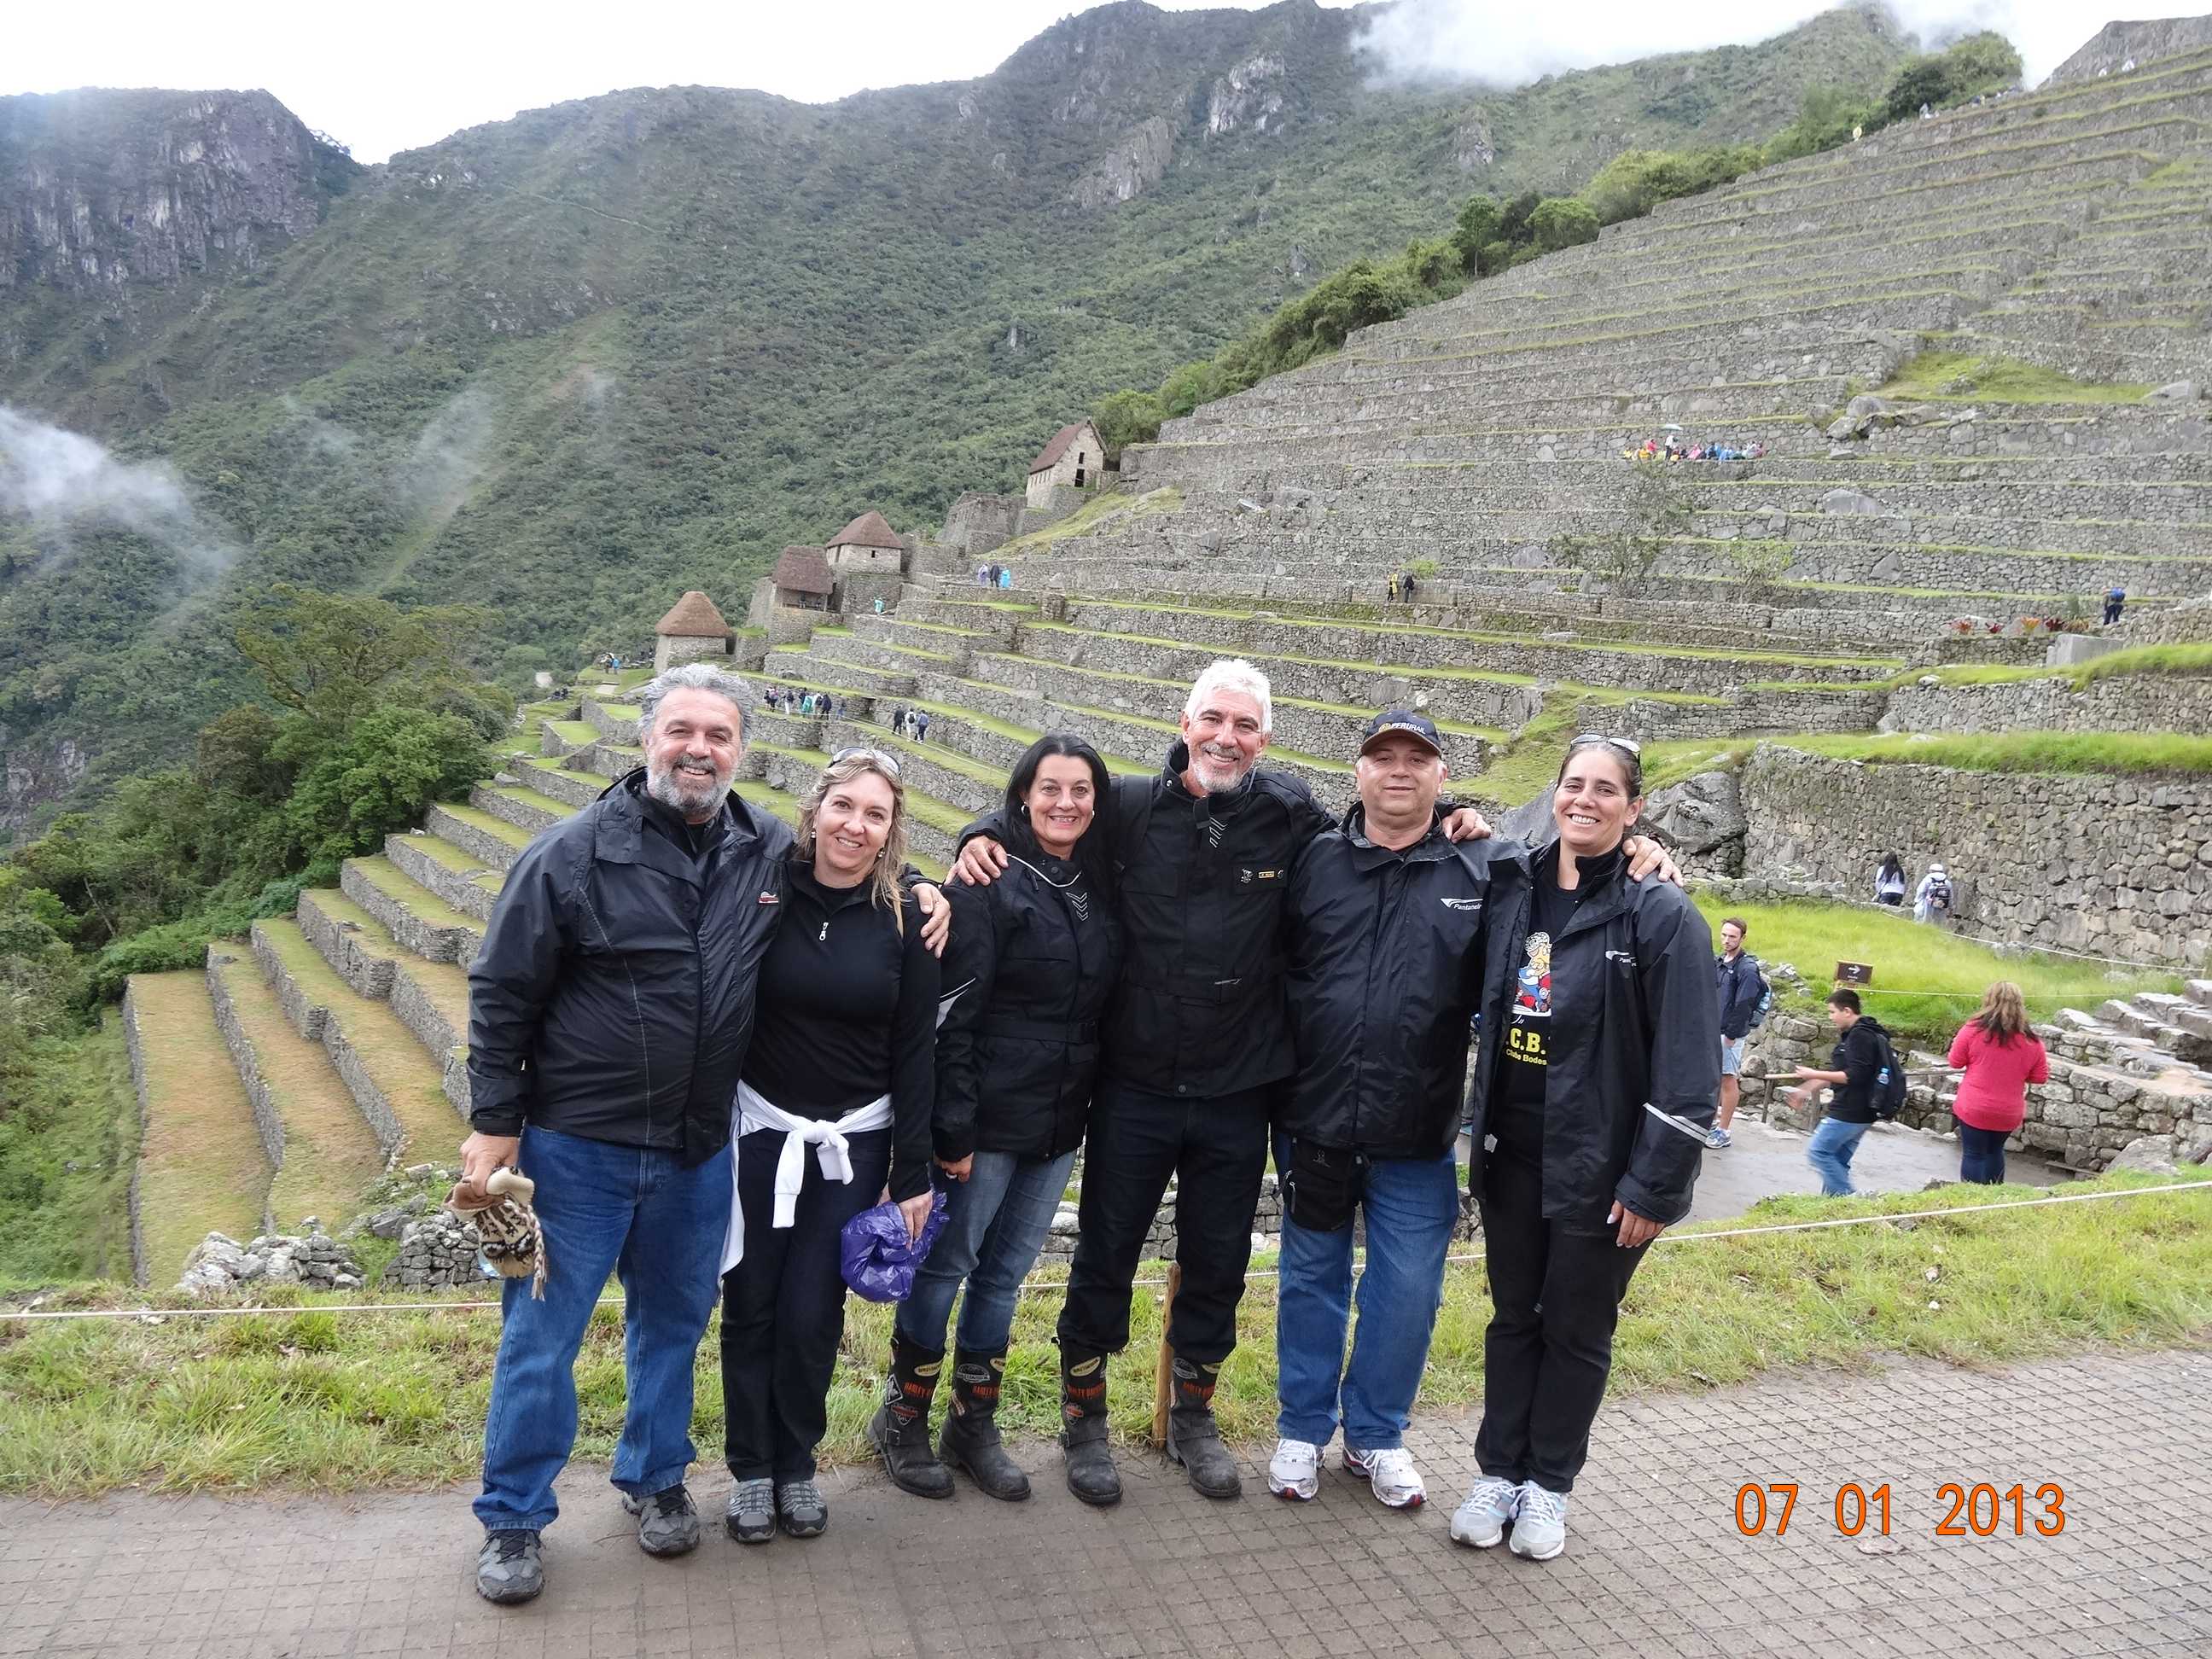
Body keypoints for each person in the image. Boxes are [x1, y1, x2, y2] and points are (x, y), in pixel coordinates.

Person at [950, 660, 1493, 1505]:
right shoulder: (1125, 808)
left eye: (1244, 726)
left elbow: (1387, 822)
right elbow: (1044, 819)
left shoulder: (1290, 817)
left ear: (1265, 740)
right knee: (1104, 1257)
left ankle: (1193, 1417)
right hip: (1132, 1085)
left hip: (1241, 1089)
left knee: (1217, 1264)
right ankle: (1084, 1421)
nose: (1226, 738)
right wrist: (976, 833)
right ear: (1186, 722)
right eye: (1214, 721)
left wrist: (1454, 813)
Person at [1269, 713, 1679, 1513]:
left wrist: (1644, 851)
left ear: (1439, 775)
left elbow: (1575, 870)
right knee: (1308, 1280)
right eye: (1381, 757)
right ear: (1357, 772)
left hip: (1420, 1128)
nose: (1397, 772)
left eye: (1415, 760)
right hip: (1315, 1115)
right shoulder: (1312, 860)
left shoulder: (1487, 865)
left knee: (1409, 1291)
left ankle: (1377, 1435)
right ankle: (1301, 1427)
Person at [460, 664, 783, 1605]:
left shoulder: (766, 849)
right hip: (576, 1150)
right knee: (540, 1337)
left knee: (674, 1327)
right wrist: (493, 1125)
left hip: (695, 1150)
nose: (699, 750)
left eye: (718, 736)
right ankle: (515, 1518)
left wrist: (929, 888)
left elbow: (858, 871)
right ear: (646, 739)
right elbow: (501, 991)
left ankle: (655, 1478)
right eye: (681, 730)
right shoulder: (569, 853)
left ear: (740, 750)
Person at [1449, 734, 1718, 1563]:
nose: (1586, 800)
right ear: (1555, 794)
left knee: (1575, 1329)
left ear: (1635, 810)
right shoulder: (1514, 886)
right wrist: (1455, 819)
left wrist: (1653, 1186)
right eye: (1574, 785)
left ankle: (1549, 1488)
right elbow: (1449, 843)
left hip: (1601, 1170)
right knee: (1512, 1318)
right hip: (1514, 1153)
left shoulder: (1660, 914)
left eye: (1607, 790)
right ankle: (1498, 1472)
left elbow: (1688, 1068)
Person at [872, 735, 1124, 1503]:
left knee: (1007, 1276)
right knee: (948, 1267)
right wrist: (954, 1131)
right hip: (987, 1120)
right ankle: (902, 1418)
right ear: (1021, 796)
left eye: (1081, 791)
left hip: (1058, 1119)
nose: (1066, 804)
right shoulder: (985, 878)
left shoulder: (1099, 878)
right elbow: (956, 1018)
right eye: (1049, 789)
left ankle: (972, 1423)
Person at [719, 749, 940, 1546]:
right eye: (843, 806)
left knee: (813, 1312)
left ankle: (797, 1464)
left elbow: (918, 1049)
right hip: (759, 1133)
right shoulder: (763, 889)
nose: (855, 825)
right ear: (815, 811)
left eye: (874, 815)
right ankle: (749, 1468)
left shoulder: (910, 917)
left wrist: (911, 1172)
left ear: (891, 833)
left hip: (854, 1147)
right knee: (750, 1305)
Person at [1787, 988, 1891, 1197]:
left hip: (1851, 1109)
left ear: (1847, 1011)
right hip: (1863, 1111)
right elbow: (1839, 1071)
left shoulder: (1860, 1036)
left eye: (1832, 1012)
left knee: (1818, 1151)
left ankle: (1850, 1199)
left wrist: (1812, 1073)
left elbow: (1855, 1075)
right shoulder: (1863, 1033)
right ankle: (1833, 1205)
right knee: (1838, 1159)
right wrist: (1805, 1090)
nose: (1830, 1017)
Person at [1946, 982, 2046, 1184]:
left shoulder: (1972, 1030)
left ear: (1988, 1001)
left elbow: (1955, 1062)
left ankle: (1970, 1200)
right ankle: (1993, 1199)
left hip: (1974, 1106)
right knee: (1994, 1152)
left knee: (1974, 1154)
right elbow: (2040, 1077)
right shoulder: (2032, 1040)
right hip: (2008, 1111)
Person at [1707, 917, 1769, 1150]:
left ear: (1743, 938)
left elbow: (1744, 1003)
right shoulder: (1720, 961)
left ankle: (1724, 1131)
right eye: (1724, 935)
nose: (1726, 940)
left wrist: (1732, 1035)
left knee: (1727, 1078)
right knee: (1713, 1078)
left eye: (1732, 936)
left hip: (1729, 1033)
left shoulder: (1747, 969)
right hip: (1714, 1028)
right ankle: (1711, 1123)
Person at [1914, 862, 1955, 926]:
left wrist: (1918, 901)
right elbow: (1950, 896)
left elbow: (1920, 891)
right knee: (1938, 923)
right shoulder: (1947, 882)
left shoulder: (1928, 880)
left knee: (1925, 922)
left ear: (1932, 871)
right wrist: (1951, 907)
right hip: (1941, 905)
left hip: (1927, 905)